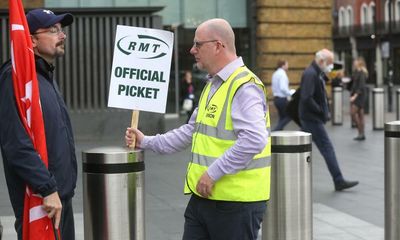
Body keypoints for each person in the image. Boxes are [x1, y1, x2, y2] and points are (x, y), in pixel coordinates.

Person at [126, 18, 270, 240]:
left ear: (218, 45)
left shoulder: (244, 86)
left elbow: (254, 140)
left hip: (235, 204)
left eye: (198, 44)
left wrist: (212, 173)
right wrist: (145, 141)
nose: (192, 50)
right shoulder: (214, 84)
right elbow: (190, 131)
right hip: (205, 198)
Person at [0, 9, 77, 239]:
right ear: (31, 40)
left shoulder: (45, 77)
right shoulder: (16, 79)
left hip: (60, 198)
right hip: (41, 201)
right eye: (53, 30)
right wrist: (47, 188)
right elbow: (16, 143)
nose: (62, 35)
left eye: (61, 30)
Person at [299, 49, 359, 191]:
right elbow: (306, 97)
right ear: (321, 61)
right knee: (327, 148)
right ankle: (338, 180)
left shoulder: (316, 72)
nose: (331, 66)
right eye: (330, 63)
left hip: (310, 118)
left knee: (303, 149)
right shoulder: (310, 73)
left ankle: (337, 180)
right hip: (312, 119)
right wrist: (320, 110)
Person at [350, 57, 368, 140]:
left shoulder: (362, 72)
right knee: (360, 114)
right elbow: (353, 84)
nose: (354, 62)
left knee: (353, 113)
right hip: (356, 95)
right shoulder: (356, 72)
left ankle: (360, 132)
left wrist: (354, 96)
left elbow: (361, 86)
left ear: (359, 63)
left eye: (356, 61)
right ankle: (361, 134)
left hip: (360, 96)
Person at [271, 60, 292, 130]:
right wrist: (291, 93)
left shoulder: (275, 74)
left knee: (282, 117)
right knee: (289, 116)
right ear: (283, 65)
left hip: (276, 99)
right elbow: (283, 88)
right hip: (282, 99)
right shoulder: (282, 74)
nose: (287, 66)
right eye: (287, 64)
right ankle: (275, 131)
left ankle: (278, 134)